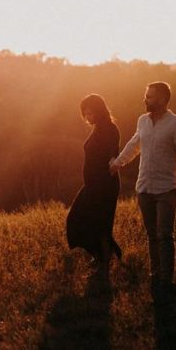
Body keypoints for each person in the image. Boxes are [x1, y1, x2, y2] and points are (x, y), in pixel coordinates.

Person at [109, 81, 176, 293]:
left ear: (163, 99)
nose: (145, 100)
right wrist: (117, 163)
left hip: (167, 190)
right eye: (145, 96)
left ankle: (167, 280)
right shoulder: (142, 121)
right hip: (144, 188)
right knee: (152, 235)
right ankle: (155, 275)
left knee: (164, 235)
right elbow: (135, 144)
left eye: (149, 97)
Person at [66, 94, 122, 274]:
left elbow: (113, 152)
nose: (87, 117)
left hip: (104, 185)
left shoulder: (110, 129)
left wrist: (113, 161)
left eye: (90, 113)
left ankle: (103, 262)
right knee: (79, 219)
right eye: (85, 114)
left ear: (99, 111)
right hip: (92, 185)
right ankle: (101, 256)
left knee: (100, 223)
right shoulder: (98, 128)